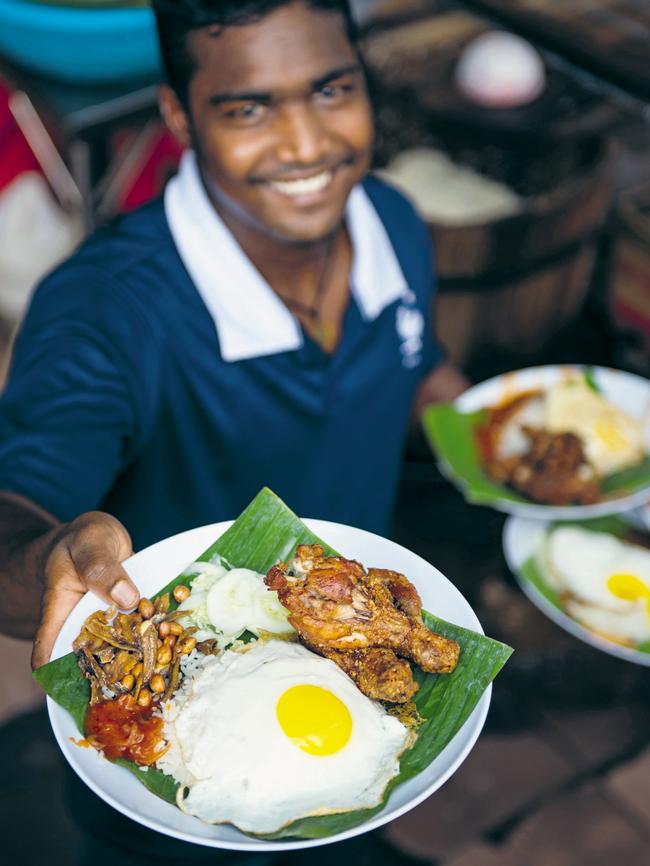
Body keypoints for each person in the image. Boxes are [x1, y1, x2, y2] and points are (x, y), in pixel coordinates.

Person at [0, 1, 467, 863]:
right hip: (180, 765)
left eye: (332, 90)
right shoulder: (105, 308)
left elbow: (412, 356)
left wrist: (481, 431)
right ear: (179, 117)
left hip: (353, 694)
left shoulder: (392, 222)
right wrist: (56, 552)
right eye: (248, 107)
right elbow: (13, 509)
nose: (305, 145)